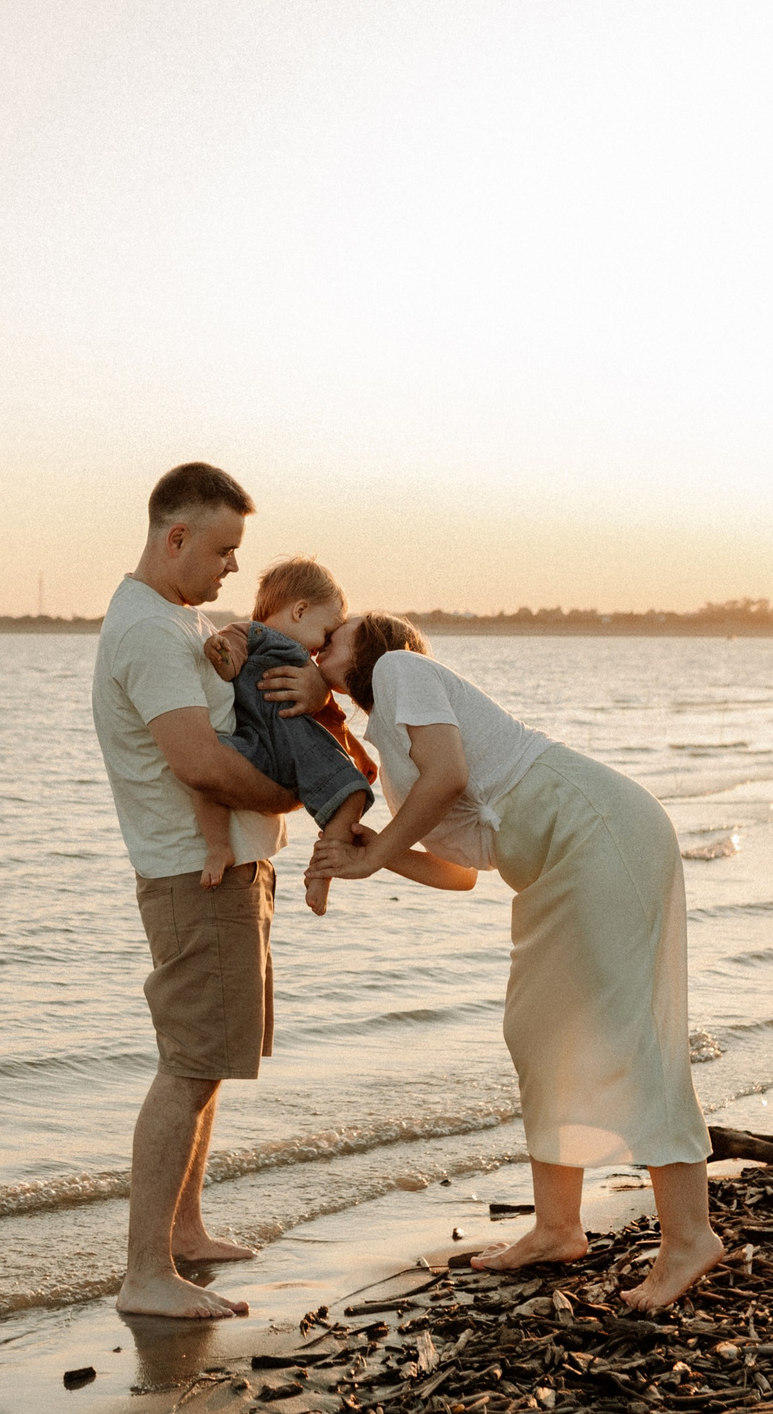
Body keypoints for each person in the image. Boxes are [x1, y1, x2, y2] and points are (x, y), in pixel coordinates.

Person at [303, 612, 723, 1311]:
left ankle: (690, 1237)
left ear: (370, 644)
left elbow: (451, 776)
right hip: (553, 861)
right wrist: (372, 857)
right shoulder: (392, 745)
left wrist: (374, 852)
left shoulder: (401, 669)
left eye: (335, 634)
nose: (322, 644)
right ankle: (558, 1227)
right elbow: (459, 872)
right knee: (538, 1032)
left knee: (629, 1036)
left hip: (596, 827)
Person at [90, 462, 310, 1319]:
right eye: (221, 550)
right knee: (187, 1065)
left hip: (229, 868)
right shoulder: (147, 632)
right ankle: (145, 1272)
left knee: (208, 1059)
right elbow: (198, 761)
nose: (230, 569)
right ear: (174, 536)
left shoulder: (183, 620)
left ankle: (183, 1232)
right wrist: (298, 794)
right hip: (194, 873)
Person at [189, 556, 377, 918]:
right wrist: (223, 655)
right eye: (326, 634)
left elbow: (332, 720)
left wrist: (358, 754)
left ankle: (322, 872)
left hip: (298, 747)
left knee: (352, 793)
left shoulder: (310, 671)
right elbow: (230, 649)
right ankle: (217, 846)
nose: (322, 649)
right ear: (300, 611)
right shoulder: (255, 634)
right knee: (207, 774)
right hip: (257, 743)